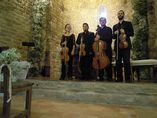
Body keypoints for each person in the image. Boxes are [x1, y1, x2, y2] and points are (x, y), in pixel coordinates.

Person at [112, 10, 134, 82]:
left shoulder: (128, 24)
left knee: (126, 61)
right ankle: (119, 77)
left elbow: (132, 33)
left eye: (121, 13)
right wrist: (115, 33)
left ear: (123, 15)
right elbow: (113, 37)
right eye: (118, 14)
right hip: (118, 46)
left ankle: (127, 78)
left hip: (126, 45)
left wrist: (125, 32)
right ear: (117, 15)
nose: (120, 15)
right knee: (118, 62)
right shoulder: (115, 26)